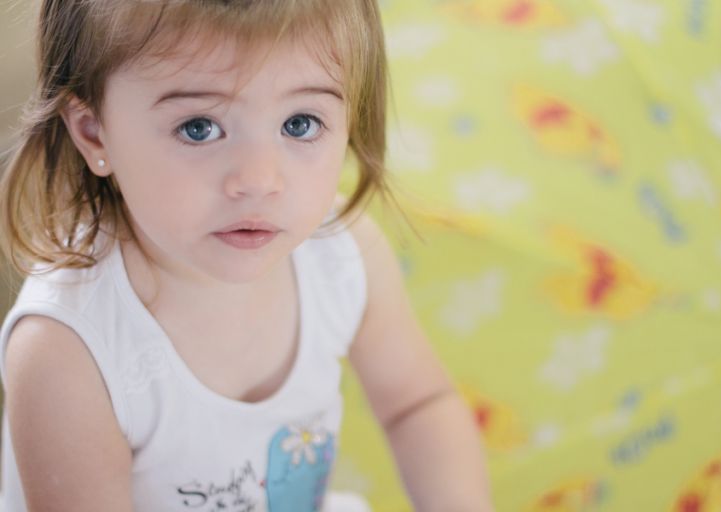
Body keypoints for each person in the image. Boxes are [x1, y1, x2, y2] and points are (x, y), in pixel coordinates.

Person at [0, 1, 492, 511]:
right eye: (199, 127)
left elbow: (418, 406)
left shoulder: (342, 256)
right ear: (94, 131)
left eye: (299, 123)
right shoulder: (66, 351)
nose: (259, 180)